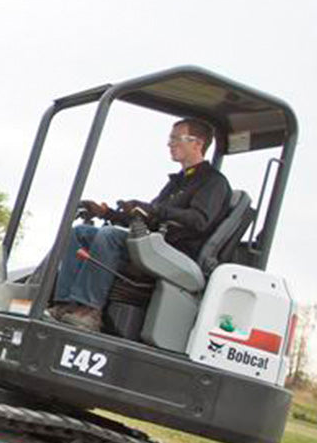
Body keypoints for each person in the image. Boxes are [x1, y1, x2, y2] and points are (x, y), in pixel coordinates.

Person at [50, 118, 231, 333]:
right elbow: (148, 217)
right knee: (80, 233)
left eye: (176, 138)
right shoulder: (178, 182)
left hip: (176, 252)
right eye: (170, 138)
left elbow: (199, 220)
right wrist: (108, 213)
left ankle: (89, 311)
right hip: (154, 244)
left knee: (109, 237)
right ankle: (65, 304)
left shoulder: (213, 182)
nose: (170, 144)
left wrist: (155, 211)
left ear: (197, 143)